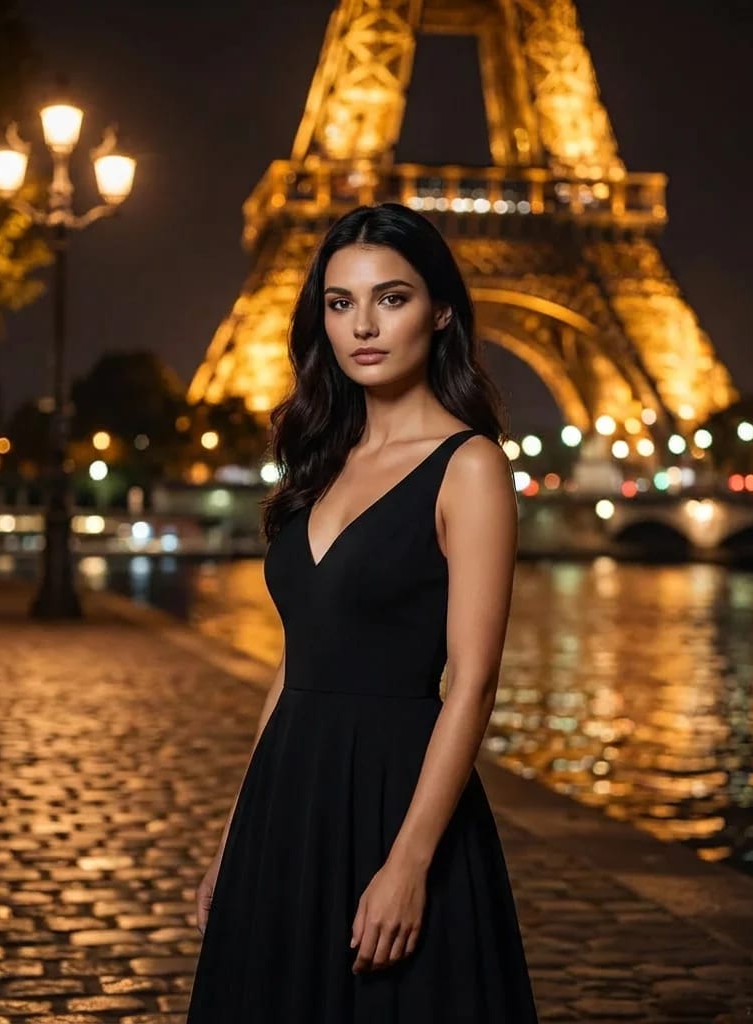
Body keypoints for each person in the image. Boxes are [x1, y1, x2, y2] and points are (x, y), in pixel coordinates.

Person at [186, 202, 538, 1022]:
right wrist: (234, 839)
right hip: (288, 801)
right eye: (340, 304)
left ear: (441, 309)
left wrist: (410, 862)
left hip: (393, 796)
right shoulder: (321, 462)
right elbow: (293, 666)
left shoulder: (471, 466)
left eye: (392, 297)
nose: (363, 326)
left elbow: (474, 681)